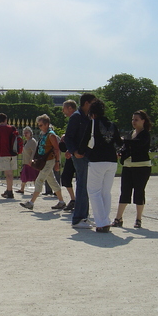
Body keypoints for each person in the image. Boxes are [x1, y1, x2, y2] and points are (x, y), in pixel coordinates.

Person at [76, 100, 122, 232]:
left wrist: (79, 151)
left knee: (94, 192)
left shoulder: (93, 123)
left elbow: (85, 141)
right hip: (112, 161)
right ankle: (105, 219)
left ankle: (102, 222)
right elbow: (119, 143)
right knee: (105, 192)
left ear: (92, 113)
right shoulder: (112, 125)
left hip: (97, 160)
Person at [112, 110, 152, 229]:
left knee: (139, 192)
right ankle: (118, 218)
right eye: (133, 119)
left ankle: (138, 219)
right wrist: (120, 153)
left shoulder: (145, 134)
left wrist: (123, 140)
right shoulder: (131, 133)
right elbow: (126, 148)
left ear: (143, 121)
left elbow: (138, 144)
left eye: (136, 119)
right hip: (128, 166)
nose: (133, 122)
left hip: (142, 166)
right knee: (125, 192)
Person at [19, 114, 66, 211]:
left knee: (39, 180)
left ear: (47, 124)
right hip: (45, 161)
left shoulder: (51, 135)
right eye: (39, 125)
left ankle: (31, 202)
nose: (39, 127)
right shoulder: (45, 134)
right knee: (52, 181)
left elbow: (57, 149)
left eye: (41, 125)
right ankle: (61, 202)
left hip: (49, 161)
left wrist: (57, 163)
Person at [64, 92, 96, 229]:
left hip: (87, 154)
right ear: (87, 103)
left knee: (86, 186)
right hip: (80, 155)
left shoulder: (88, 116)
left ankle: (83, 216)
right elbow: (69, 137)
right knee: (83, 185)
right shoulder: (76, 117)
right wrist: (74, 151)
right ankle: (78, 218)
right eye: (93, 102)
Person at [59, 100, 78, 212]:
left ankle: (79, 201)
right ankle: (74, 199)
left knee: (81, 179)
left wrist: (71, 151)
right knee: (65, 177)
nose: (63, 111)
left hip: (76, 153)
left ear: (70, 108)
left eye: (64, 108)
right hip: (71, 152)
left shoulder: (76, 118)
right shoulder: (73, 119)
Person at [0, 113, 18, 199]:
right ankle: (9, 189)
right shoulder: (12, 128)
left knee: (7, 174)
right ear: (6, 120)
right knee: (11, 173)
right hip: (13, 153)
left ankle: (9, 191)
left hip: (4, 153)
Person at [17, 126, 38, 194]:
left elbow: (34, 151)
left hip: (30, 162)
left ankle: (36, 190)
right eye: (24, 133)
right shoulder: (27, 141)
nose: (25, 134)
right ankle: (22, 189)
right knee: (24, 175)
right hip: (26, 161)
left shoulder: (32, 141)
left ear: (30, 133)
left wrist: (31, 160)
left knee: (34, 176)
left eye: (27, 132)